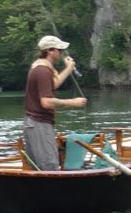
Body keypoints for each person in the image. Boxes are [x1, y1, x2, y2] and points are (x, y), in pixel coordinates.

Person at [23, 34, 86, 170]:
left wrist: (69, 68)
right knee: (49, 165)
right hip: (39, 124)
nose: (61, 53)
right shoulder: (42, 71)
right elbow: (46, 102)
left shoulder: (41, 66)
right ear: (50, 51)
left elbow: (54, 84)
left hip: (35, 124)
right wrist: (73, 102)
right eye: (59, 50)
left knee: (40, 167)